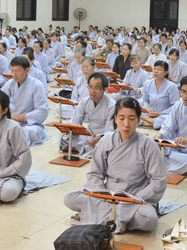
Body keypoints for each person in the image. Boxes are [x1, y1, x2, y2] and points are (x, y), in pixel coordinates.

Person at [64, 97, 167, 233]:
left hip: (134, 198)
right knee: (69, 198)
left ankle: (95, 215)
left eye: (131, 119)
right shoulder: (106, 141)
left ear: (138, 120)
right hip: (108, 196)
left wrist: (134, 198)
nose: (126, 124)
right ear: (115, 119)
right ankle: (115, 217)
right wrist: (101, 194)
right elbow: (94, 173)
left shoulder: (148, 145)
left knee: (148, 220)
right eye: (121, 118)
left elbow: (158, 181)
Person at [1, 56, 49, 146]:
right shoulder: (9, 84)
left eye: (17, 71)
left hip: (31, 124)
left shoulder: (37, 85)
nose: (14, 74)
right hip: (12, 121)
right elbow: (0, 101)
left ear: (27, 70)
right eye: (12, 71)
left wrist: (24, 117)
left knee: (29, 131)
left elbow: (43, 111)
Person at [66, 72, 115, 155]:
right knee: (65, 134)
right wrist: (72, 129)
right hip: (89, 134)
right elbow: (76, 121)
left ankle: (85, 148)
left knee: (107, 143)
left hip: (102, 136)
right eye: (90, 87)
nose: (92, 91)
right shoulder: (84, 101)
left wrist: (100, 137)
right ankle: (87, 148)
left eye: (96, 88)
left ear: (105, 89)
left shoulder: (111, 105)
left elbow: (110, 130)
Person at [140, 60, 179, 129]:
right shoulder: (147, 83)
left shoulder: (172, 86)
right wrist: (147, 109)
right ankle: (152, 122)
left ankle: (145, 121)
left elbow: (175, 105)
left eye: (159, 69)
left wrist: (160, 113)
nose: (156, 71)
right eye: (154, 69)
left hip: (163, 114)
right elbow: (145, 100)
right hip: (149, 113)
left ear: (165, 72)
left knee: (169, 119)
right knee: (133, 112)